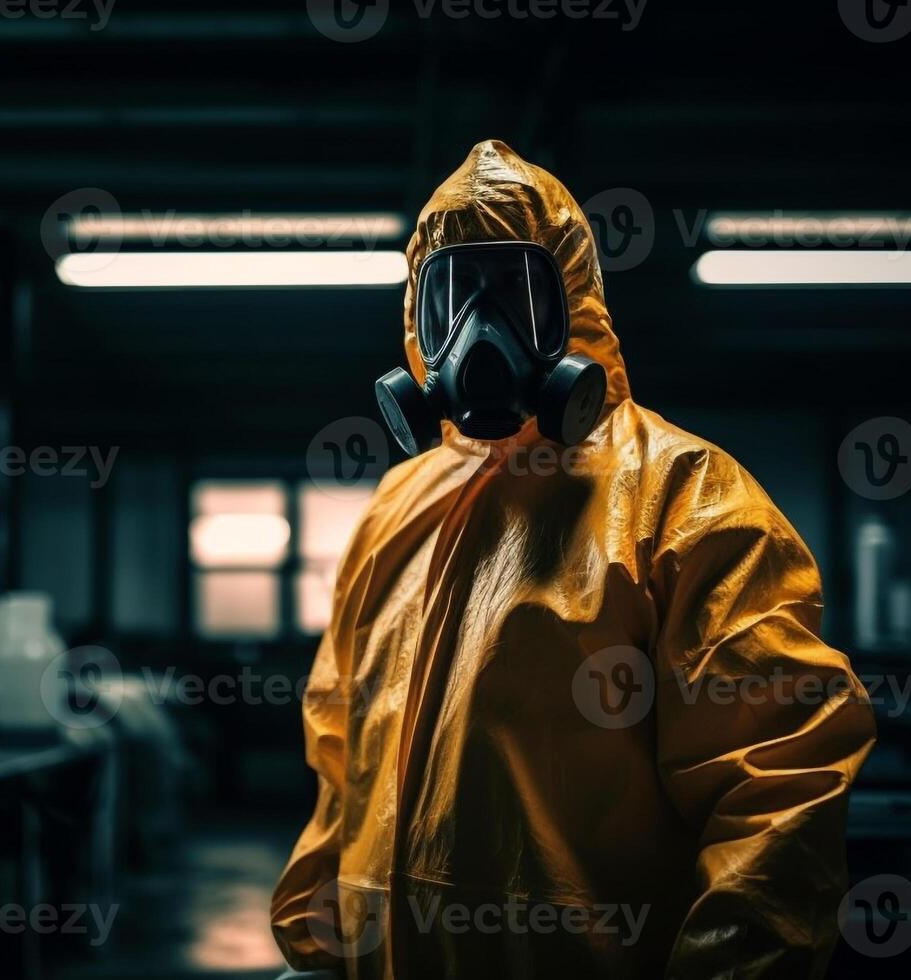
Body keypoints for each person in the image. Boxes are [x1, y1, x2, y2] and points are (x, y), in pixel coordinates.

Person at [270, 141, 877, 979]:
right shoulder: (394, 510)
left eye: (515, 293)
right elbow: (340, 754)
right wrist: (317, 946)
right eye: (451, 295)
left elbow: (777, 786)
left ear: (575, 303)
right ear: (416, 319)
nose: (480, 335)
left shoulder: (684, 500)